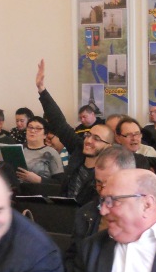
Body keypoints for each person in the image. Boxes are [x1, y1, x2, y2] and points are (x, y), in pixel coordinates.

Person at [35, 60, 115, 204]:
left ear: (108, 146)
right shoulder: (79, 150)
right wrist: (42, 90)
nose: (89, 140)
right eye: (88, 135)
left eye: (97, 138)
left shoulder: (109, 173)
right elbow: (59, 123)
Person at [65, 145, 136, 272]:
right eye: (98, 182)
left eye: (108, 183)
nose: (102, 190)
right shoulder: (86, 213)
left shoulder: (143, 216)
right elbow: (73, 254)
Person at [17, 115, 63, 184]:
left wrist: (39, 180)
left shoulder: (52, 152)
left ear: (45, 135)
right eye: (30, 127)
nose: (32, 131)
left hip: (42, 189)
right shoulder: (19, 150)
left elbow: (60, 183)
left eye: (38, 128)